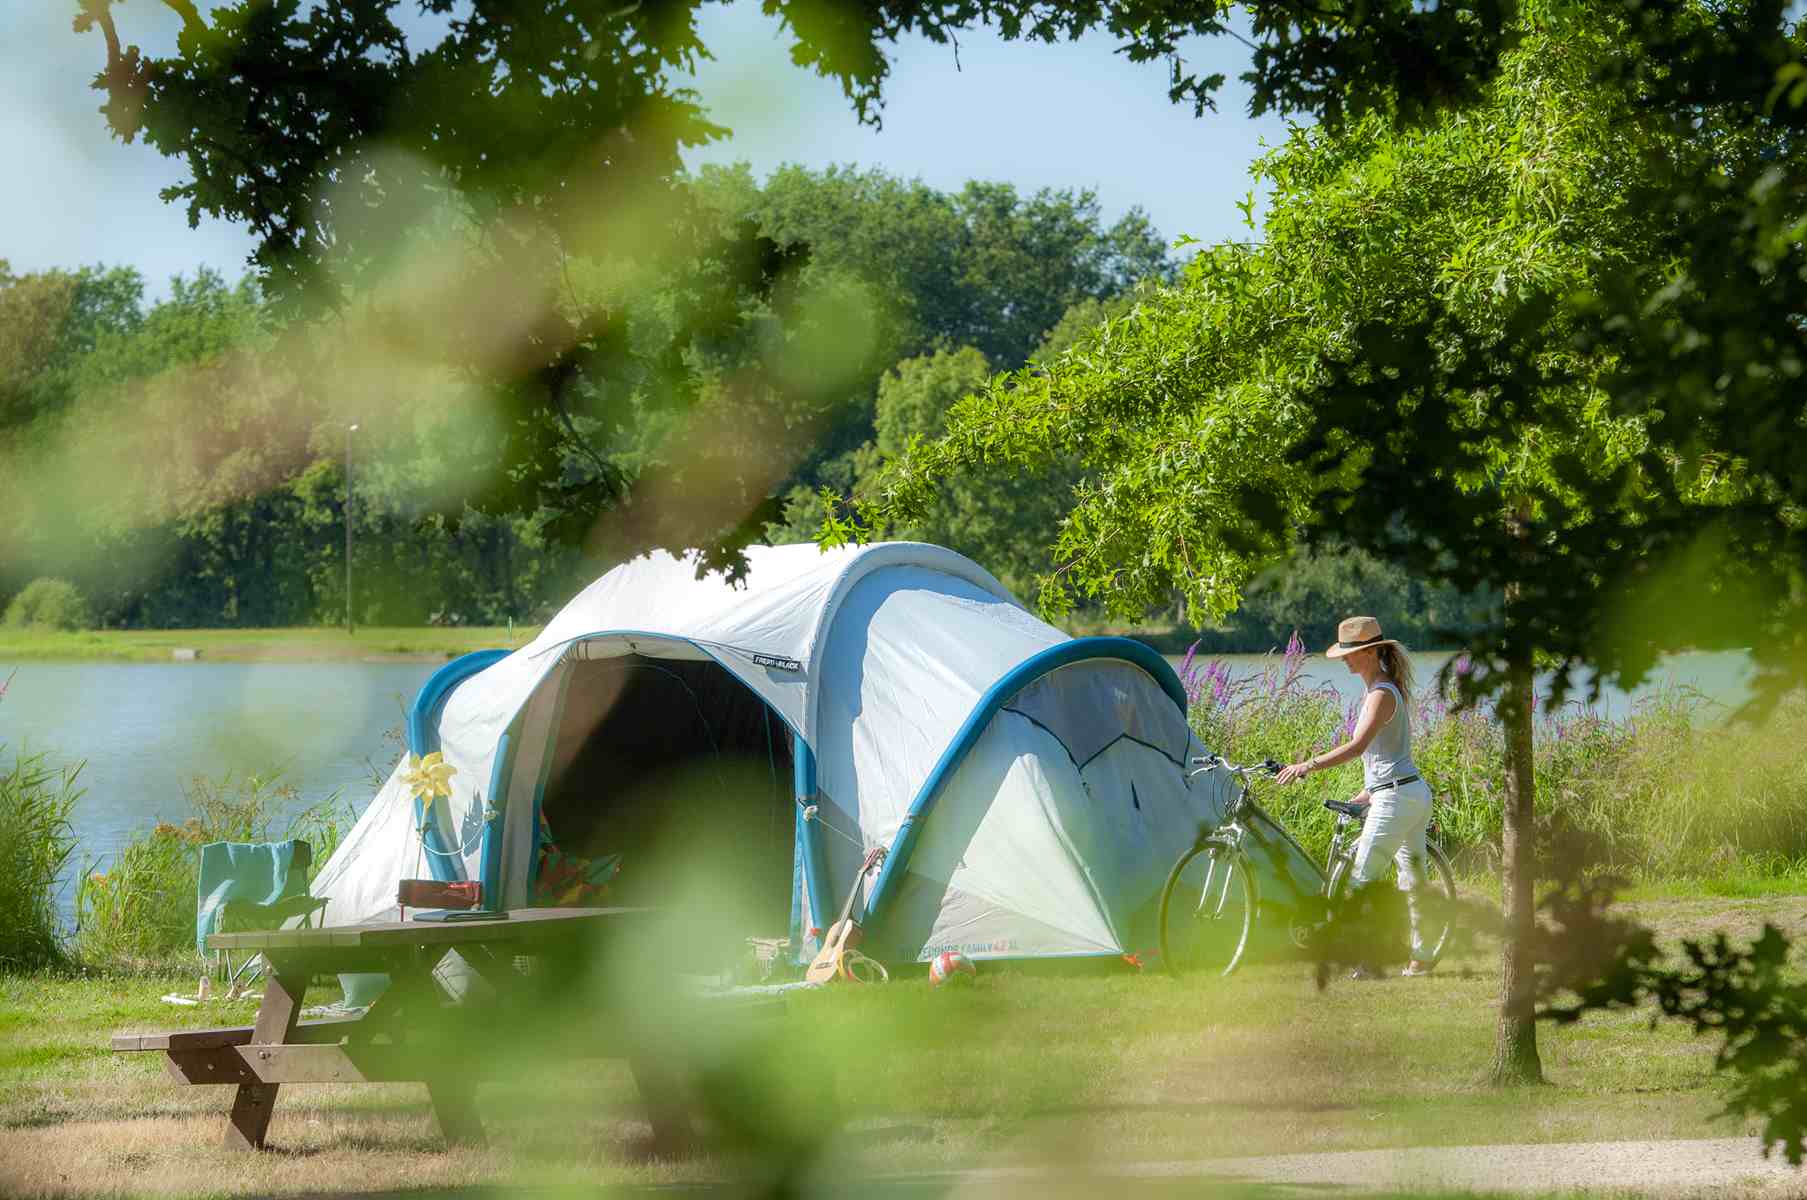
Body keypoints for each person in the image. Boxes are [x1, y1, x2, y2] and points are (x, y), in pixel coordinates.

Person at [1275, 616, 1434, 978]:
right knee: (1412, 881)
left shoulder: (1380, 694)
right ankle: (1420, 957)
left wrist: (1307, 765)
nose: (1345, 659)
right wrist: (1368, 792)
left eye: (1351, 652)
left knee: (1359, 881)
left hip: (1397, 798)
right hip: (1405, 792)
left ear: (1371, 652)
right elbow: (1387, 754)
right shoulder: (1381, 690)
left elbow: (1358, 746)